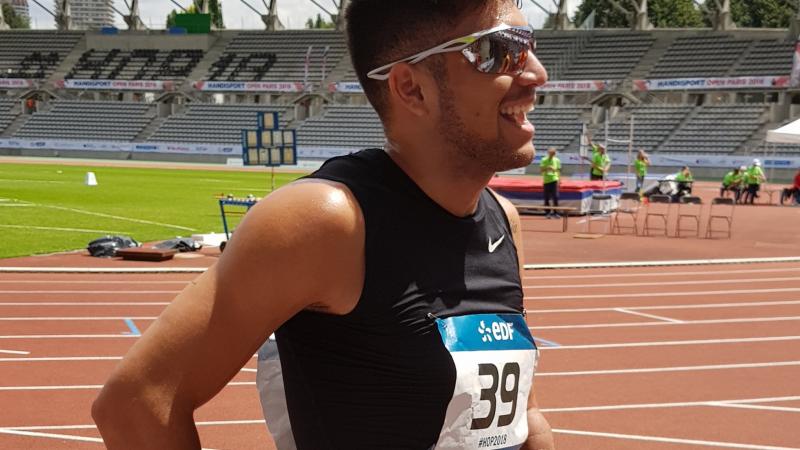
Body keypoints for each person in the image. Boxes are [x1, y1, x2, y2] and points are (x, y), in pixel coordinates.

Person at [91, 1, 556, 450]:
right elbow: (136, 404)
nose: (536, 74)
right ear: (411, 88)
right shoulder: (329, 220)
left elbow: (523, 418)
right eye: (500, 50)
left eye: (529, 44)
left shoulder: (501, 218)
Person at [540, 146, 562, 218]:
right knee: (546, 197)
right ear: (548, 152)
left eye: (554, 153)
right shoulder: (543, 159)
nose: (553, 154)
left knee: (555, 197)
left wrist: (560, 179)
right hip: (546, 180)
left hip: (554, 180)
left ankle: (556, 212)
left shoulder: (557, 160)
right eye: (552, 152)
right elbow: (541, 170)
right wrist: (547, 168)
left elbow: (558, 171)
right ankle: (547, 213)